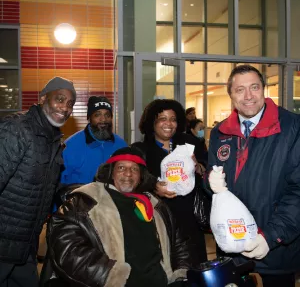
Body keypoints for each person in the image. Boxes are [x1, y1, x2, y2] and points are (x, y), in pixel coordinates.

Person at [42, 147, 191, 287]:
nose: (128, 173)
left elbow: (179, 245)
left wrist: (180, 276)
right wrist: (110, 276)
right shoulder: (85, 202)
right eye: (121, 168)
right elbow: (67, 249)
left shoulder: (156, 206)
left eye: (134, 169)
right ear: (111, 172)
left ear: (141, 177)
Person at [207, 64, 300, 287]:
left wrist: (270, 236)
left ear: (264, 89)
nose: (248, 96)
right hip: (233, 248)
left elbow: (297, 192)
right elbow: (216, 185)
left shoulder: (293, 127)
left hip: (277, 249)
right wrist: (209, 182)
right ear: (231, 95)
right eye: (240, 90)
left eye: (254, 87)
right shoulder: (220, 132)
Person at [0, 76, 76, 287]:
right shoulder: (16, 129)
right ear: (43, 98)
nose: (65, 108)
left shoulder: (52, 140)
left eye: (70, 104)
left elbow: (41, 186)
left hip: (25, 247)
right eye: (60, 99)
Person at [132, 99, 207, 268]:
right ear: (152, 122)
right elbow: (133, 183)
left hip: (190, 222)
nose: (168, 124)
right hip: (157, 223)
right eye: (162, 119)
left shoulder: (190, 144)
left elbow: (207, 173)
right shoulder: (141, 150)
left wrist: (197, 166)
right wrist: (153, 186)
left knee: (194, 271)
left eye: (173, 119)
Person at [60, 96, 127, 184]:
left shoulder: (121, 145)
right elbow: (59, 182)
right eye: (97, 115)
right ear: (89, 118)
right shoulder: (71, 146)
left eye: (107, 115)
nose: (103, 119)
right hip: (80, 196)